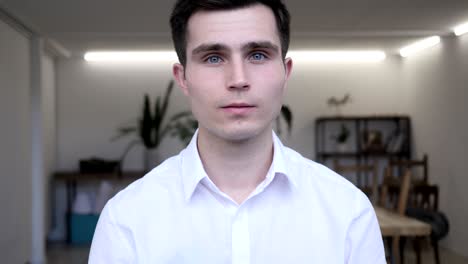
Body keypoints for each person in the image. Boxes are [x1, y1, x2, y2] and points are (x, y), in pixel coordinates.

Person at [89, 0, 386, 263]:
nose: (238, 80)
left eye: (257, 55)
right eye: (213, 58)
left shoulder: (348, 212)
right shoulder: (126, 221)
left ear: (286, 72)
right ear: (183, 78)